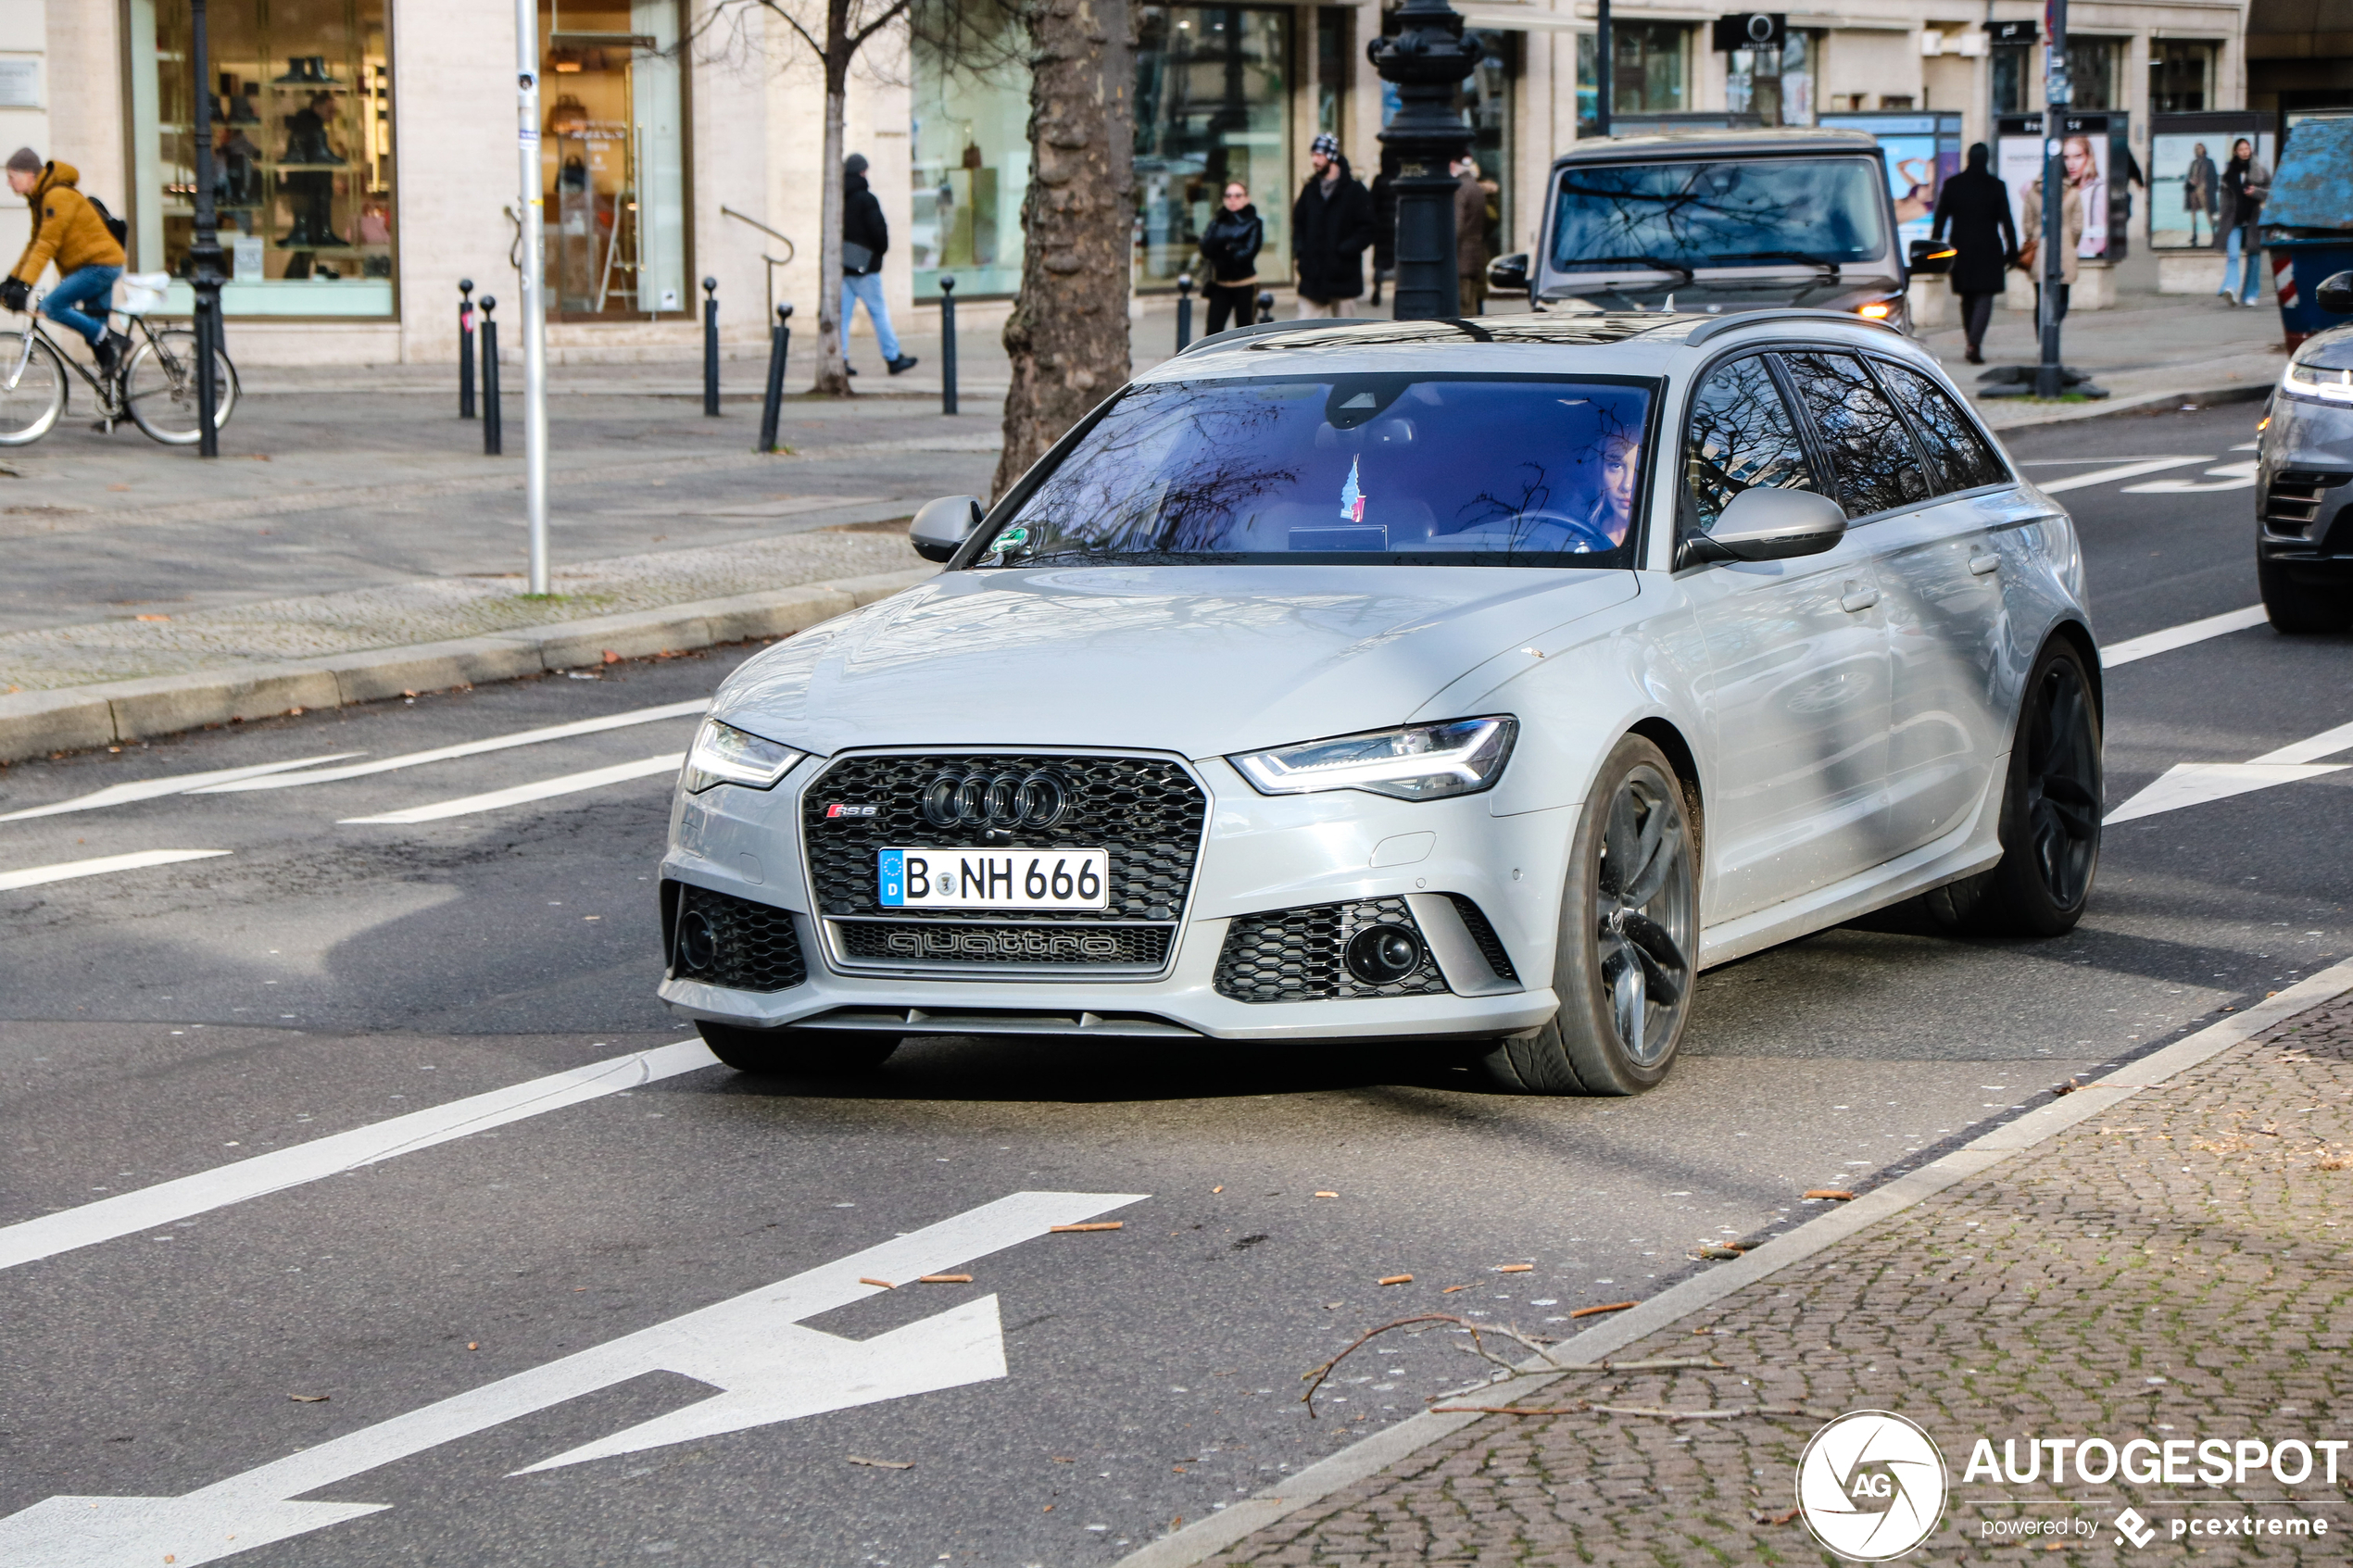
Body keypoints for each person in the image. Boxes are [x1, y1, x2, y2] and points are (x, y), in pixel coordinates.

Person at [0, 149, 127, 377]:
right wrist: (13, 281)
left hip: (100, 266)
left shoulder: (56, 196)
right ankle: (121, 401)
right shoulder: (39, 199)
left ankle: (113, 338)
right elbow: (34, 244)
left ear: (29, 175)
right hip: (91, 266)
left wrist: (25, 285)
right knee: (102, 349)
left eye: (12, 177)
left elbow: (46, 245)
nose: (9, 183)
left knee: (51, 307)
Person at [1931, 142, 2018, 366]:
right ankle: (1974, 343)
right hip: (1989, 248)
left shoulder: (1953, 184)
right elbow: (2006, 220)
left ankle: (1972, 341)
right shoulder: (1996, 185)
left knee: (1967, 297)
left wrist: (1933, 247)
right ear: (1986, 159)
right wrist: (2013, 250)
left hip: (1960, 248)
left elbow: (1940, 217)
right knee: (1984, 297)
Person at [839, 151, 916, 376]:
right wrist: (880, 252)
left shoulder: (838, 197)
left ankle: (840, 359)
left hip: (843, 265)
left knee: (842, 316)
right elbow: (878, 231)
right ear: (863, 171)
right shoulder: (866, 198)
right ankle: (893, 357)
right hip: (865, 266)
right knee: (878, 311)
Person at [1291, 132, 1374, 319]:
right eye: (1313, 155)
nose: (1315, 160)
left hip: (1343, 276)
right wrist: (1300, 253)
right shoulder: (1310, 189)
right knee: (1304, 330)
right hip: (1312, 276)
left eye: (1320, 155)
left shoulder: (1355, 191)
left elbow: (1367, 229)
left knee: (1345, 336)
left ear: (1332, 157)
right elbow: (1298, 223)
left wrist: (1344, 250)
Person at [2020, 146, 2086, 326]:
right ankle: (2054, 327)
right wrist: (2071, 243)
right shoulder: (2073, 193)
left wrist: (2032, 237)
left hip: (2039, 249)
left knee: (2040, 298)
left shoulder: (2033, 192)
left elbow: (2027, 222)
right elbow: (2077, 226)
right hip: (2064, 249)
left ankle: (2042, 340)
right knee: (2062, 296)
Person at [1196, 179, 1262, 334]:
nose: (1233, 200)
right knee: (1213, 331)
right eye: (1228, 196)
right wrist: (1228, 248)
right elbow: (1205, 247)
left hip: (1245, 284)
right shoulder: (1217, 221)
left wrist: (1225, 250)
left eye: (1238, 195)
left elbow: (1248, 252)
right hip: (1221, 284)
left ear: (1246, 198)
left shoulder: (1253, 222)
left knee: (1245, 332)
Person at [2219, 137, 2271, 307]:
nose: (2244, 151)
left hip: (2253, 220)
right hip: (2233, 221)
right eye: (2241, 149)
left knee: (2254, 257)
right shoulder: (2229, 172)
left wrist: (2256, 192)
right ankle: (2231, 288)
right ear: (2236, 151)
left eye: (2247, 148)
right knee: (2233, 255)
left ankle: (2250, 294)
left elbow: (2272, 193)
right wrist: (2222, 216)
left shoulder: (2260, 170)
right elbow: (2224, 198)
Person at [1454, 155, 1493, 318]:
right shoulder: (1476, 188)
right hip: (1474, 257)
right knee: (1472, 306)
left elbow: (1457, 226)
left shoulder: (1461, 188)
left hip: (1462, 259)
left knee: (1466, 310)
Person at [2183, 141, 2217, 248]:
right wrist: (2190, 182)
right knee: (2193, 214)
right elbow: (2188, 176)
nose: (2199, 150)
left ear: (2204, 149)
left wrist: (2213, 190)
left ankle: (2214, 236)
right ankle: (2194, 235)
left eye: (2200, 148)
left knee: (2208, 213)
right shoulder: (2193, 163)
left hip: (2205, 191)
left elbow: (2214, 177)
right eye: (2197, 148)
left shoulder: (2210, 162)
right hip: (2193, 191)